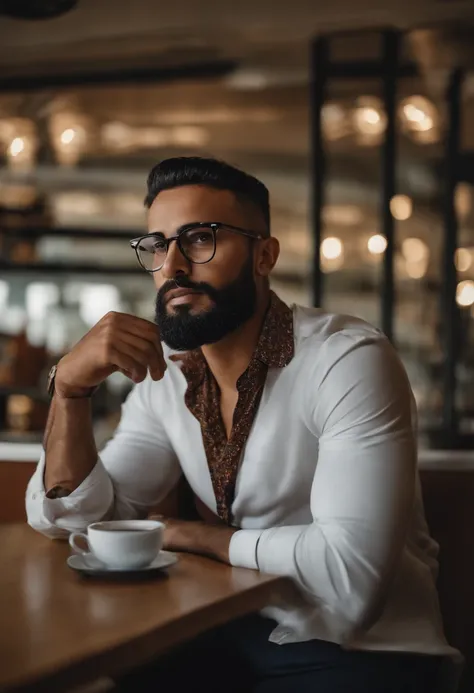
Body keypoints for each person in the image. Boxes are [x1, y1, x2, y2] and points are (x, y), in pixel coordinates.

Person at [27, 157, 454, 692]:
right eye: (158, 245)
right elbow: (74, 520)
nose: (175, 265)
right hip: (225, 628)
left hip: (366, 649)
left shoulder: (347, 360)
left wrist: (197, 537)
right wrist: (70, 390)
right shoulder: (167, 376)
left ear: (264, 254)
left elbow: (352, 578)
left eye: (201, 238)